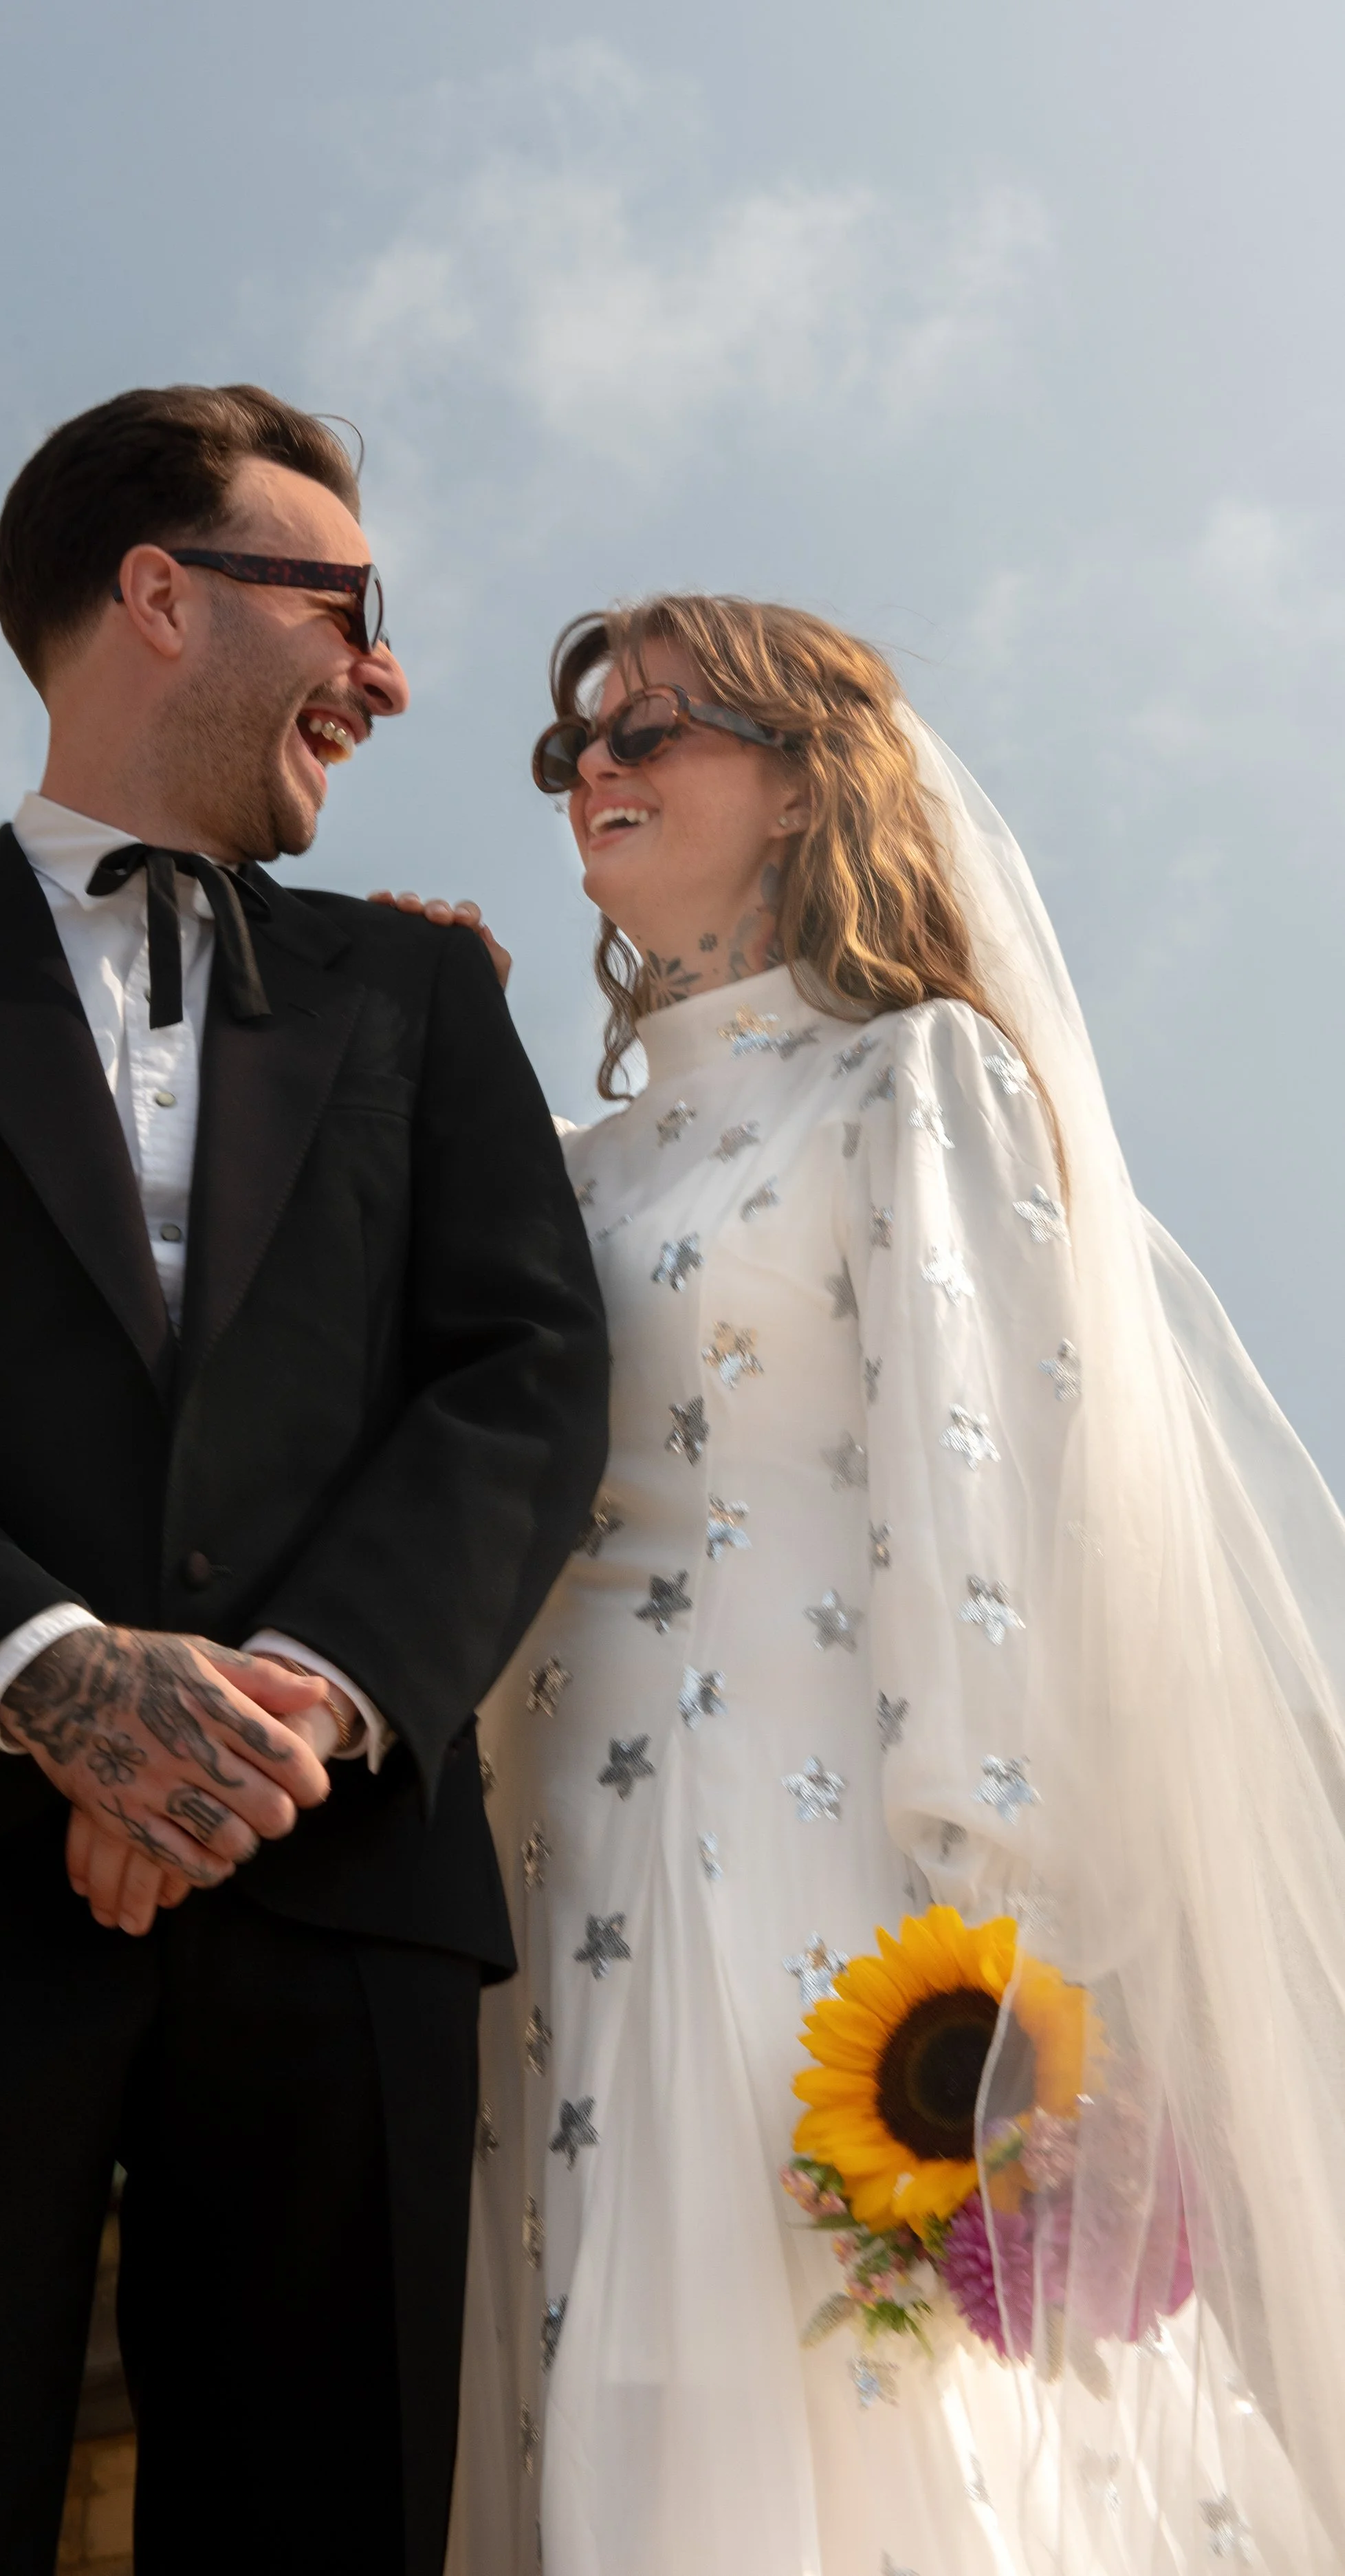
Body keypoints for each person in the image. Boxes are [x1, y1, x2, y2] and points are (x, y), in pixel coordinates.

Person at [0, 382, 610, 2576]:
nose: (386, 673)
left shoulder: (422, 1000)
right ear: (161, 597)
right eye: (346, 605)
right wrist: (55, 1677)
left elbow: (523, 1370)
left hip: (338, 1884)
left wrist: (288, 1702)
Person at [397, 596, 1345, 2574]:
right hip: (537, 1889)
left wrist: (987, 1951)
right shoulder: (555, 1166)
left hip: (808, 1885)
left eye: (657, 729)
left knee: (816, 2411)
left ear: (811, 776)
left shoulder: (914, 1081)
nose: (598, 769)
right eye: (572, 743)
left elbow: (990, 1501)